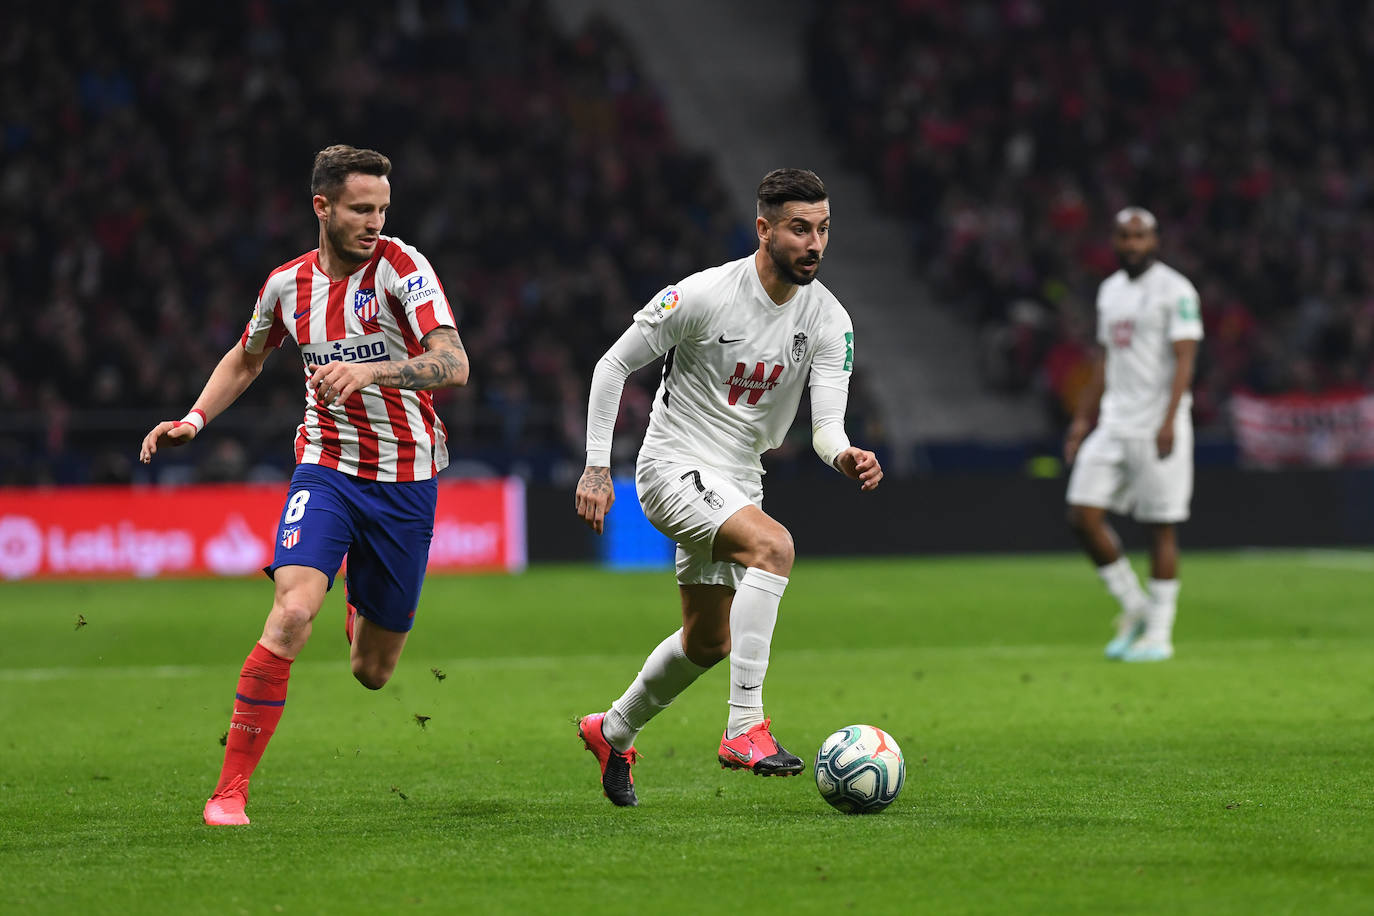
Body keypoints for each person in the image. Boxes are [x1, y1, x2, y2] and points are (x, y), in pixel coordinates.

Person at [139, 145, 468, 825]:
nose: (374, 221)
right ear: (323, 207)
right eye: (359, 209)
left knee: (371, 671)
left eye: (381, 208)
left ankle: (361, 603)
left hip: (406, 480)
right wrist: (195, 419)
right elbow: (247, 355)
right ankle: (229, 791)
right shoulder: (286, 286)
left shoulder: (404, 270)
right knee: (290, 613)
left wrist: (374, 372)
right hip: (326, 467)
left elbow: (454, 364)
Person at [573, 168, 883, 806]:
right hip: (672, 465)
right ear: (764, 229)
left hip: (741, 476)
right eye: (800, 229)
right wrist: (597, 466)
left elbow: (826, 428)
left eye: (823, 229)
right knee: (775, 548)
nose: (815, 243)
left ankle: (613, 729)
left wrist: (845, 455)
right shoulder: (703, 295)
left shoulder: (830, 321)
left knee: (707, 642)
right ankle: (745, 726)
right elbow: (612, 366)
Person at [1064, 207, 1202, 662]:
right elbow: (1105, 359)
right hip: (1114, 421)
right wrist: (1083, 419)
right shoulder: (1111, 291)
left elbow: (1185, 358)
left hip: (1158, 424)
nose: (1132, 244)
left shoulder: (1176, 290)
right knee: (1082, 513)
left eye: (1140, 236)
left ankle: (1159, 633)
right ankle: (1135, 607)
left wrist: (1169, 419)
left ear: (1155, 240)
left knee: (1160, 526)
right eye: (1125, 236)